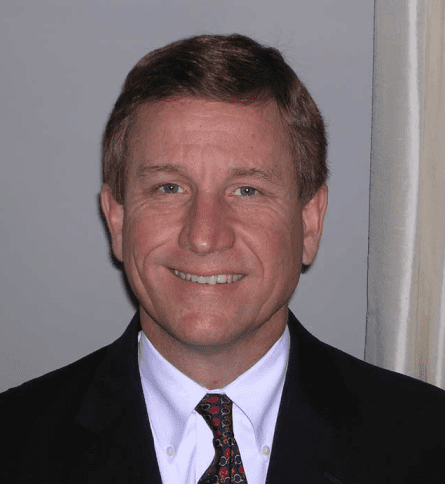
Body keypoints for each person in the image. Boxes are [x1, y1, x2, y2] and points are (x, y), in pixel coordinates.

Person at [1, 34, 444, 484]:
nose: (204, 237)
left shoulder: (428, 443)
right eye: (169, 188)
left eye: (247, 191)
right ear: (117, 222)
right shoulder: (14, 444)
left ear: (309, 224)